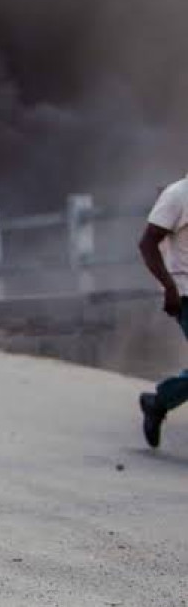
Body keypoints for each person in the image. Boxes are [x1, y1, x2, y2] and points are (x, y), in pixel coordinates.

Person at [137, 176, 188, 448]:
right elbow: (147, 244)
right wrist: (169, 287)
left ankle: (158, 402)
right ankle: (158, 402)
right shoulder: (178, 195)